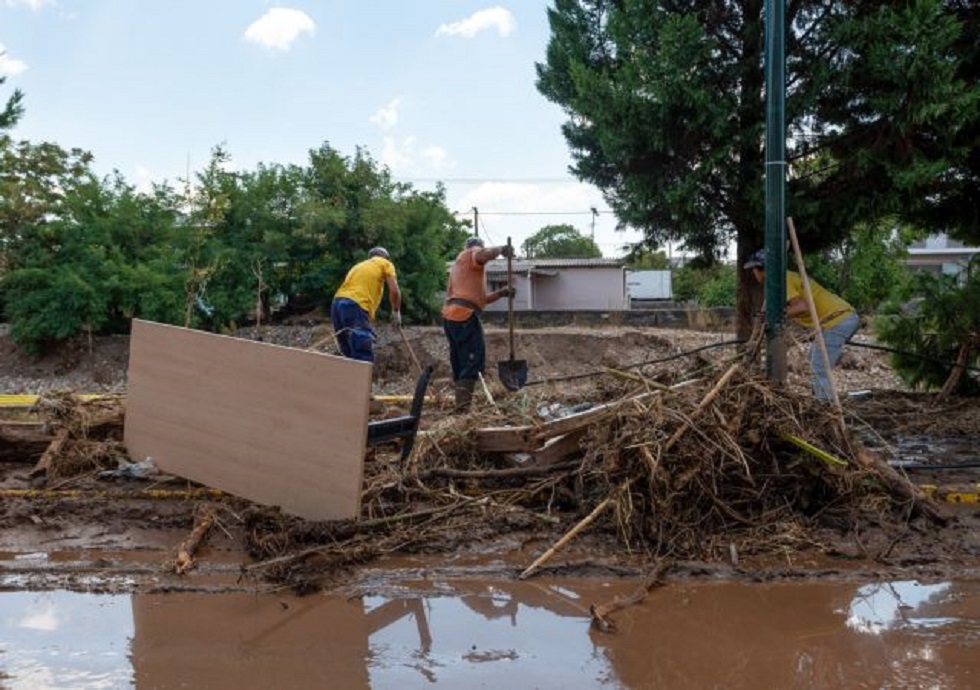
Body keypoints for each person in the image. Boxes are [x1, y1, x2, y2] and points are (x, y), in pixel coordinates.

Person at [743, 248, 860, 400]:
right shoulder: (784, 279)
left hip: (837, 320)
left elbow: (801, 306)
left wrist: (774, 316)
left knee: (819, 369)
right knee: (814, 361)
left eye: (753, 270)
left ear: (760, 269)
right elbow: (792, 307)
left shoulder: (781, 280)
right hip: (841, 318)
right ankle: (821, 399)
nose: (753, 274)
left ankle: (826, 408)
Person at [442, 237, 515, 411]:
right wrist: (501, 249)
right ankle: (463, 408)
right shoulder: (470, 254)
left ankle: (461, 405)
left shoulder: (459, 268)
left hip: (451, 316)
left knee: (460, 362)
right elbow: (481, 255)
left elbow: (480, 301)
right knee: (473, 361)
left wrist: (501, 293)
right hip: (464, 316)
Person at [331, 246, 401, 363]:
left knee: (347, 352)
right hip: (355, 303)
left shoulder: (358, 266)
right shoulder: (385, 264)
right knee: (362, 355)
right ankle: (362, 380)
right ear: (386, 258)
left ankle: (348, 380)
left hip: (337, 304)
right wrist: (396, 311)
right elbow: (394, 291)